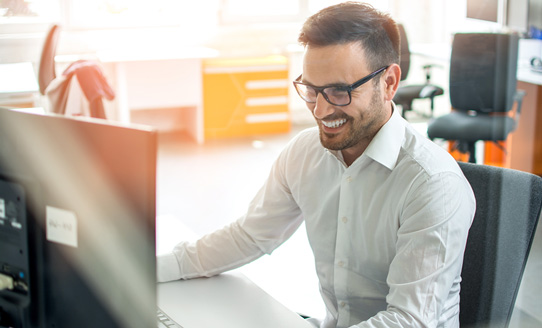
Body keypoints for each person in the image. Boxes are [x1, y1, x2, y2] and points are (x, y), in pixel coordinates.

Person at [157, 2, 476, 327]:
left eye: (339, 91)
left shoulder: (432, 184)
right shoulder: (305, 152)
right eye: (311, 90)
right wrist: (149, 269)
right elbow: (249, 236)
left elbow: (408, 320)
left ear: (390, 83)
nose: (320, 111)